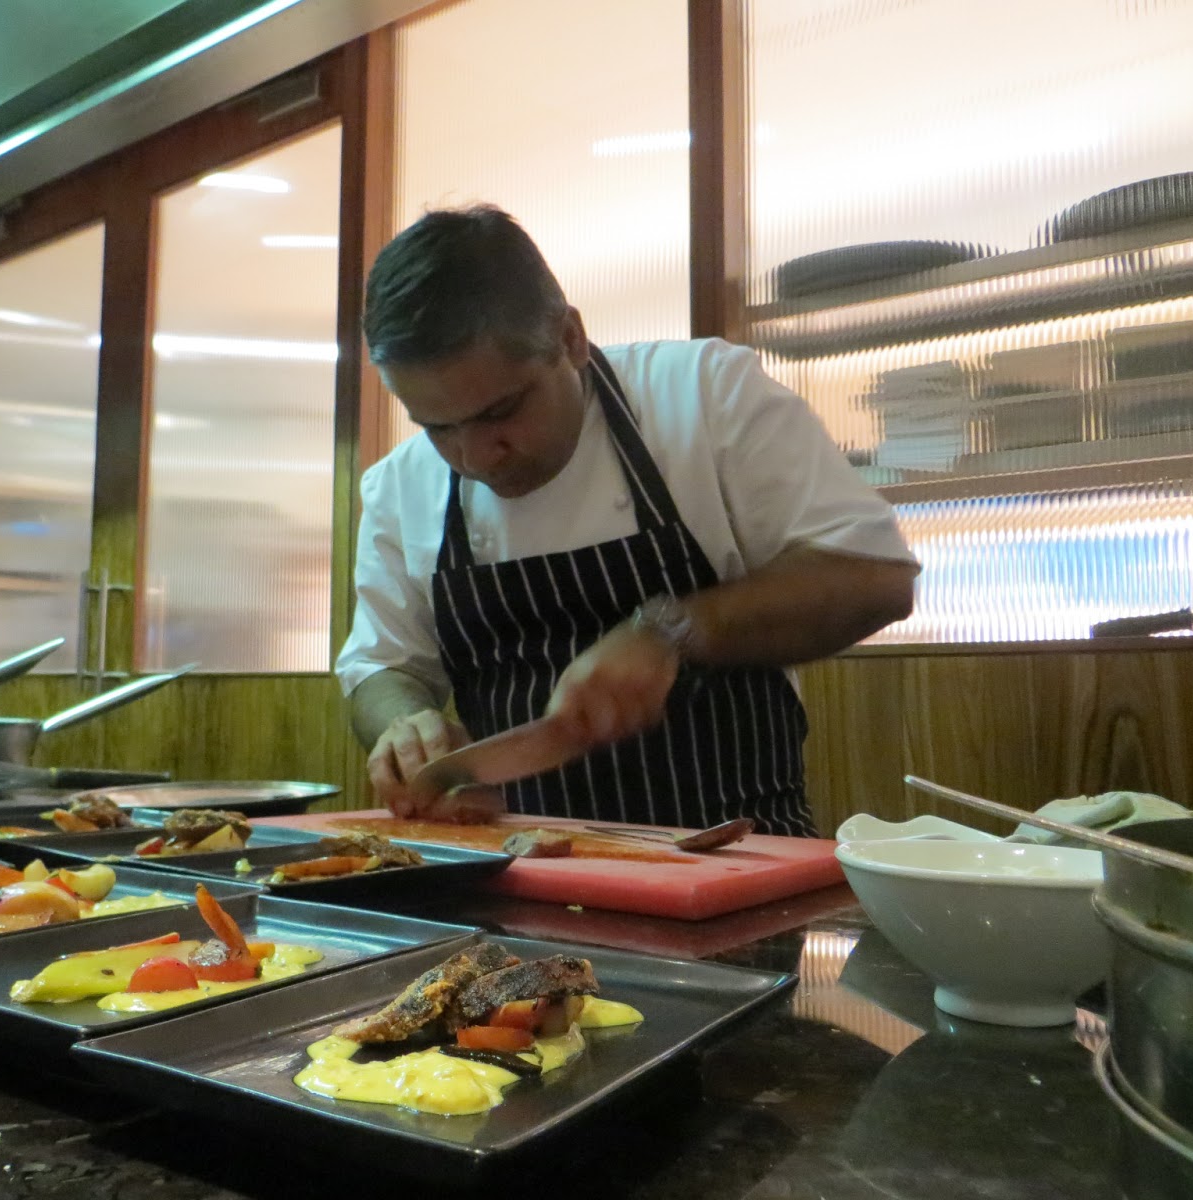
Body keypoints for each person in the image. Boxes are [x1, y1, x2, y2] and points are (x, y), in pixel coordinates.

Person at [335, 206, 918, 836]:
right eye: (436, 427)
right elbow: (380, 666)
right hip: (519, 872)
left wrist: (672, 630)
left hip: (735, 862)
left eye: (500, 411)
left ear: (569, 339)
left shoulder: (704, 396)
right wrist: (405, 728)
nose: (473, 455)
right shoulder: (400, 486)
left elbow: (875, 576)